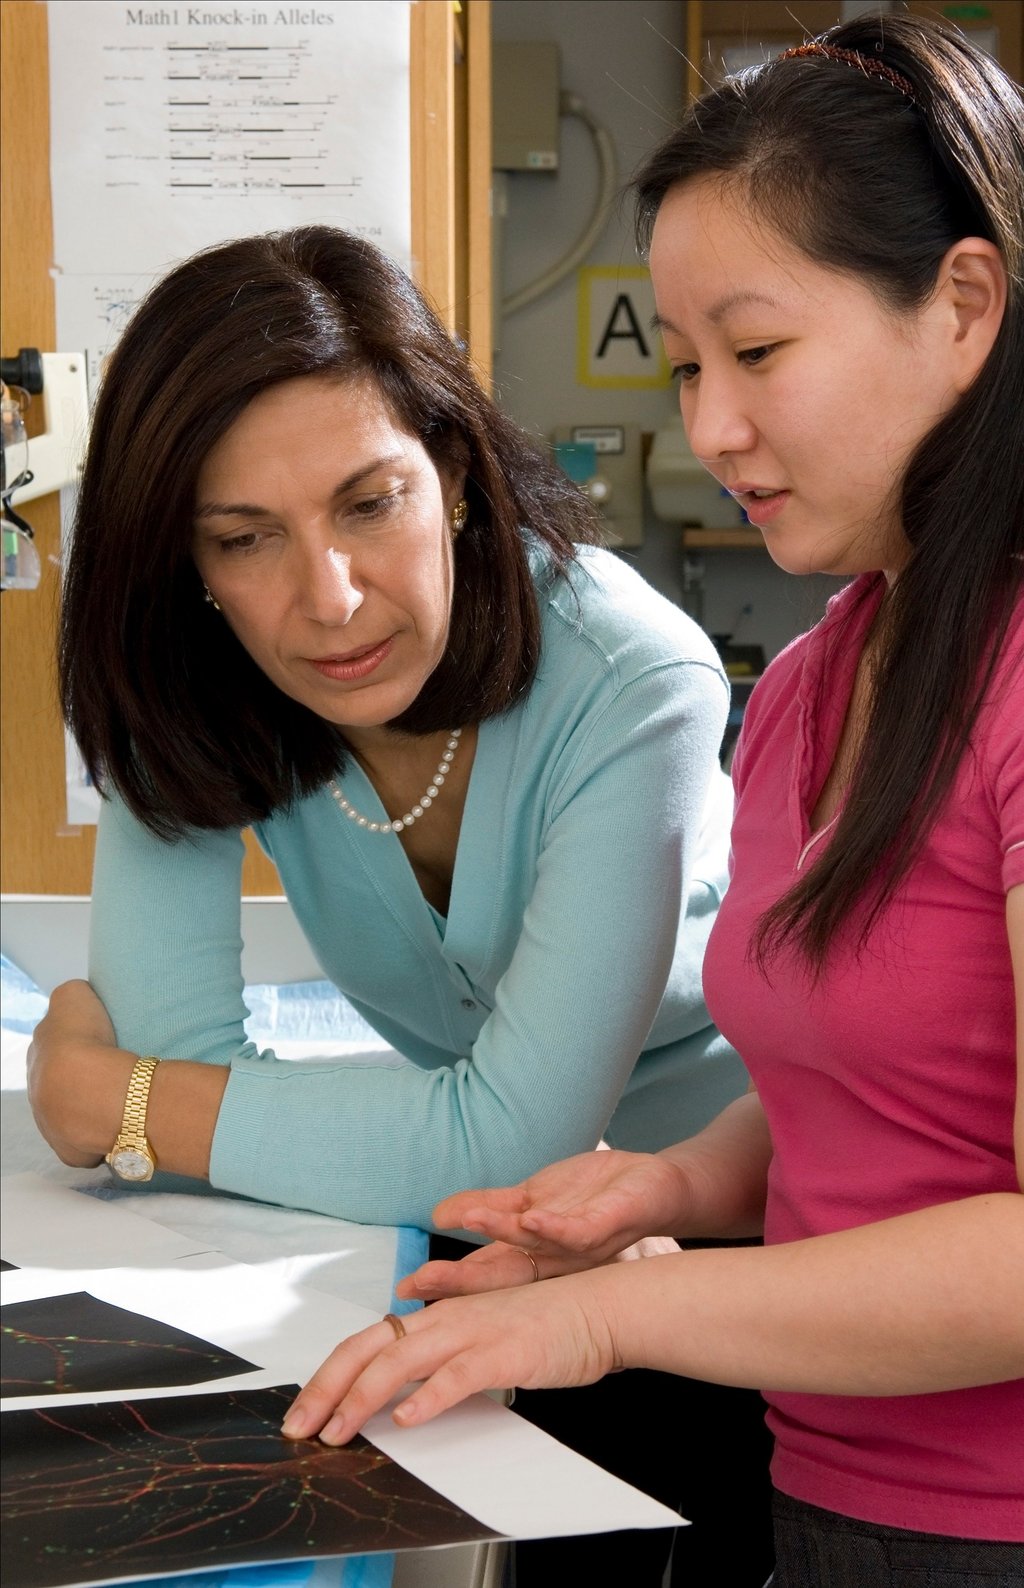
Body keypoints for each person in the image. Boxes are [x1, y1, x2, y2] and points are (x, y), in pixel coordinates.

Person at [280, 13, 1024, 1585]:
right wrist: (668, 1190)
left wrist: (610, 1314)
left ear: (963, 303)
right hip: (827, 1486)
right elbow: (898, 1092)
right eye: (687, 367)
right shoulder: (830, 672)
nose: (713, 430)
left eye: (758, 353)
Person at [25, 226, 773, 1581]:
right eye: (246, 539)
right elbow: (202, 1056)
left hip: (746, 1242)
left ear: (458, 479)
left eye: (371, 503)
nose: (331, 599)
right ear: (187, 567)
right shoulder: (196, 684)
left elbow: (513, 1128)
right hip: (486, 1261)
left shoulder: (633, 676)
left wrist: (116, 1106)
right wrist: (171, 1094)